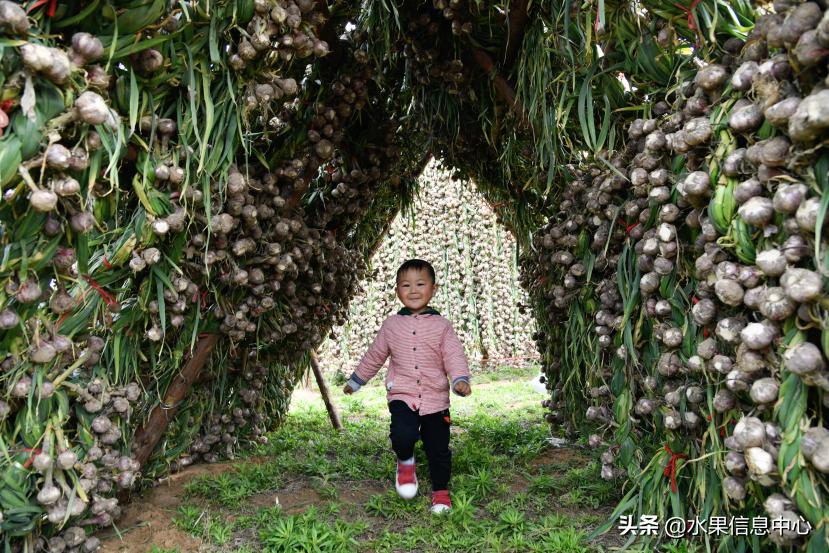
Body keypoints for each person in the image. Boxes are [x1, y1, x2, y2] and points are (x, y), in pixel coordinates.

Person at [343, 259, 471, 514]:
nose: (413, 290)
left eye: (420, 284)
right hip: (401, 394)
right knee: (403, 435)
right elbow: (375, 355)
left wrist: (460, 379)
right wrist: (357, 380)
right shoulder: (391, 325)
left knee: (438, 448)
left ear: (433, 289)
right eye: (406, 285)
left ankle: (441, 492)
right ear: (397, 291)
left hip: (435, 398)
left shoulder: (442, 326)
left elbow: (454, 355)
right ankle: (405, 461)